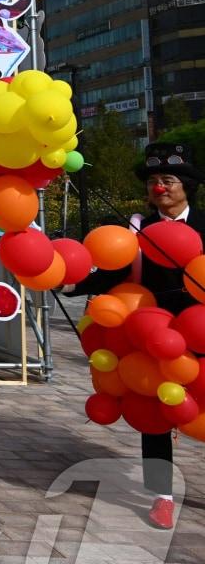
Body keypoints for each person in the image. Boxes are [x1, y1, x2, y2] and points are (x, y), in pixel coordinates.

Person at [80, 142, 205, 529]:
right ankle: (162, 495)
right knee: (154, 415)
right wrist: (72, 281)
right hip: (153, 331)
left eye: (168, 180)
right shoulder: (138, 230)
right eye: (154, 181)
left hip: (202, 329)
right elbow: (114, 272)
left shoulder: (204, 225)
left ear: (186, 186)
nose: (160, 188)